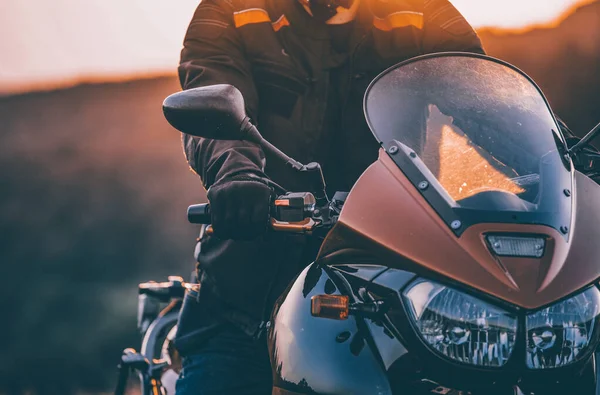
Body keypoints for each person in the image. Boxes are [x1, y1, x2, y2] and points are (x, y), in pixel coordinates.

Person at [173, 0, 485, 393]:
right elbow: (213, 87)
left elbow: (479, 90)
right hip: (250, 292)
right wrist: (237, 174)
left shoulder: (419, 9)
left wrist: (555, 158)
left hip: (386, 289)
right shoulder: (232, 9)